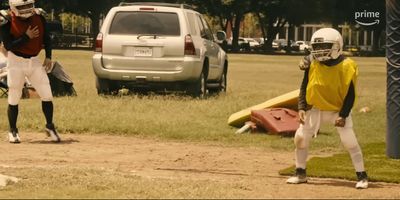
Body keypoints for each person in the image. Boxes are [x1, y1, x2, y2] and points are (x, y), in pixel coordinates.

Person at [286, 28, 368, 189]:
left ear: (337, 46)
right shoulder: (313, 63)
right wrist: (302, 107)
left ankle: (362, 176)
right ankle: (300, 173)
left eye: (324, 45)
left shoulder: (347, 65)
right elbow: (305, 86)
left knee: (349, 141)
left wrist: (343, 115)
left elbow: (350, 95)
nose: (320, 50)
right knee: (300, 138)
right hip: (315, 108)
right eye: (317, 47)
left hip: (337, 110)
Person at [0, 0, 60, 143]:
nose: (27, 9)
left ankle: (50, 127)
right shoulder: (6, 19)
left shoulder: (39, 16)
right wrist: (26, 37)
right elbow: (8, 46)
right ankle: (13, 130)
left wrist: (49, 56)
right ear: (13, 7)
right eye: (22, 7)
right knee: (14, 95)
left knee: (47, 94)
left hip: (34, 60)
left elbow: (47, 38)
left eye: (28, 5)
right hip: (16, 61)